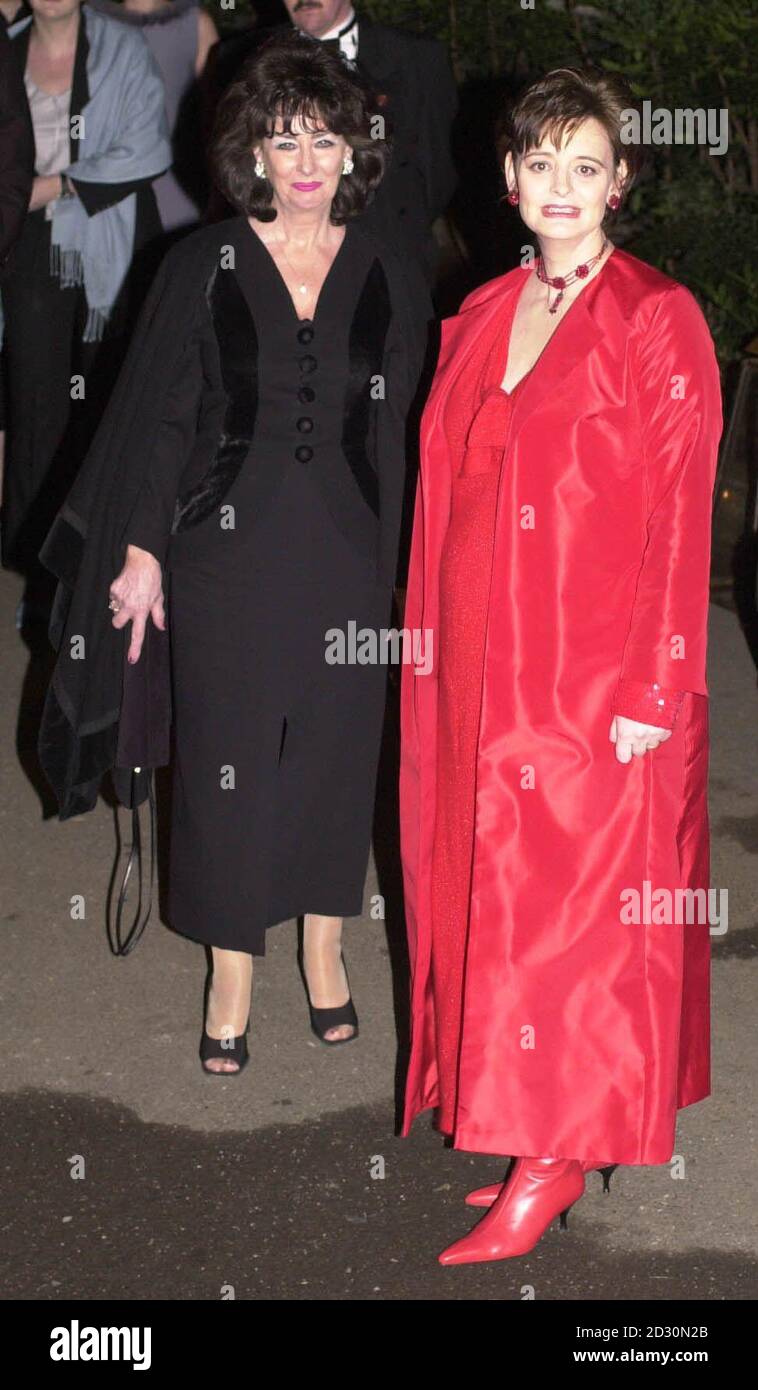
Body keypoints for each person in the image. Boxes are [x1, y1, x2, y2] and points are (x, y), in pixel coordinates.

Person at [37, 32, 432, 1068]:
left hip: (352, 554)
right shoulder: (201, 263)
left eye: (323, 140)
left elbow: (413, 428)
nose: (303, 162)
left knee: (338, 754)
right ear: (252, 153)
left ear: (354, 151)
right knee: (230, 756)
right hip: (222, 549)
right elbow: (161, 420)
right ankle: (230, 963)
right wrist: (138, 548)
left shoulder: (388, 263)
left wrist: (419, 566)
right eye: (281, 141)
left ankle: (323, 943)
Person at [399, 67, 723, 1264]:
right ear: (507, 178)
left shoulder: (654, 315)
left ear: (619, 181)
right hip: (485, 649)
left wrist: (655, 684)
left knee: (571, 922)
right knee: (498, 895)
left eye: (584, 166)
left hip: (592, 669)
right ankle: (523, 1119)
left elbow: (683, 515)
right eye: (540, 164)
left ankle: (553, 1155)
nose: (560, 187)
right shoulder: (485, 306)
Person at [0, 0, 170, 627]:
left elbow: (147, 146)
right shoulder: (7, 44)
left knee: (107, 406)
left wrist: (52, 186)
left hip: (109, 239)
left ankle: (101, 560)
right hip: (26, 249)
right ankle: (38, 578)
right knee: (35, 412)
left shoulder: (122, 48)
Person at [206, 0, 459, 282]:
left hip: (393, 260)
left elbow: (439, 171)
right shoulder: (239, 59)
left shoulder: (418, 59)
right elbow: (226, 165)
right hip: (276, 262)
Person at [86, 0, 219, 238]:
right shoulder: (88, 22)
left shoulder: (196, 24)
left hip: (177, 187)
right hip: (103, 188)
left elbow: (220, 121)